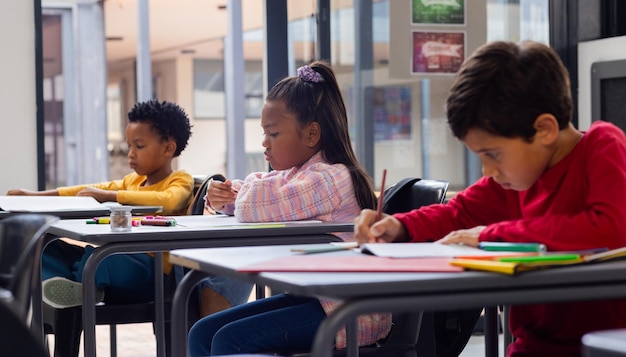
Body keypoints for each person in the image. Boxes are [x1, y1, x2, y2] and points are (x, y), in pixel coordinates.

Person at [354, 40, 626, 356]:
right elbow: (458, 214)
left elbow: (611, 230)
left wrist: (490, 235)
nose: (488, 170)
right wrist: (397, 225)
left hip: (605, 347)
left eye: (493, 154)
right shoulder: (514, 180)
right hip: (532, 348)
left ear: (544, 130)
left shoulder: (601, 145)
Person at [187, 61, 391, 356]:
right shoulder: (300, 173)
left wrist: (240, 194)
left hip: (350, 311)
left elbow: (257, 203)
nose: (264, 143)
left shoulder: (329, 178)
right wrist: (228, 197)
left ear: (311, 135)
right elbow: (259, 193)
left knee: (229, 341)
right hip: (317, 298)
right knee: (203, 333)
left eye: (273, 134)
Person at [7, 99, 194, 308]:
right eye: (129, 145)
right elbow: (86, 190)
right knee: (45, 248)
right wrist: (34, 195)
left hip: (152, 272)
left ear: (168, 148)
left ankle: (80, 287)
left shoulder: (180, 180)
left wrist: (112, 196)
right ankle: (68, 287)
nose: (131, 153)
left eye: (139, 146)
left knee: (101, 260)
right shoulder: (131, 181)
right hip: (118, 257)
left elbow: (169, 201)